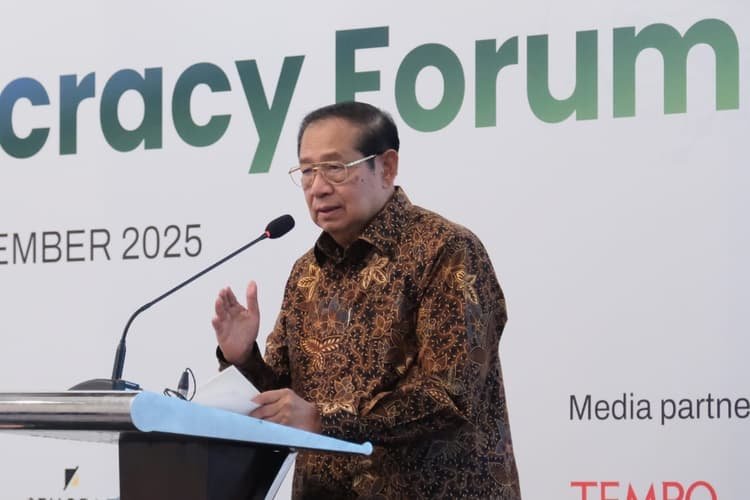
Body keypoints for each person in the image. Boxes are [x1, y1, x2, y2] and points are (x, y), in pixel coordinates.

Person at [212, 101, 521, 498]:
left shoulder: (445, 250)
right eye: (307, 171)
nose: (318, 187)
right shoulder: (307, 273)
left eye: (335, 168)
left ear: (386, 167)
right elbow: (285, 404)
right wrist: (243, 358)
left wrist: (323, 420)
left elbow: (449, 397)